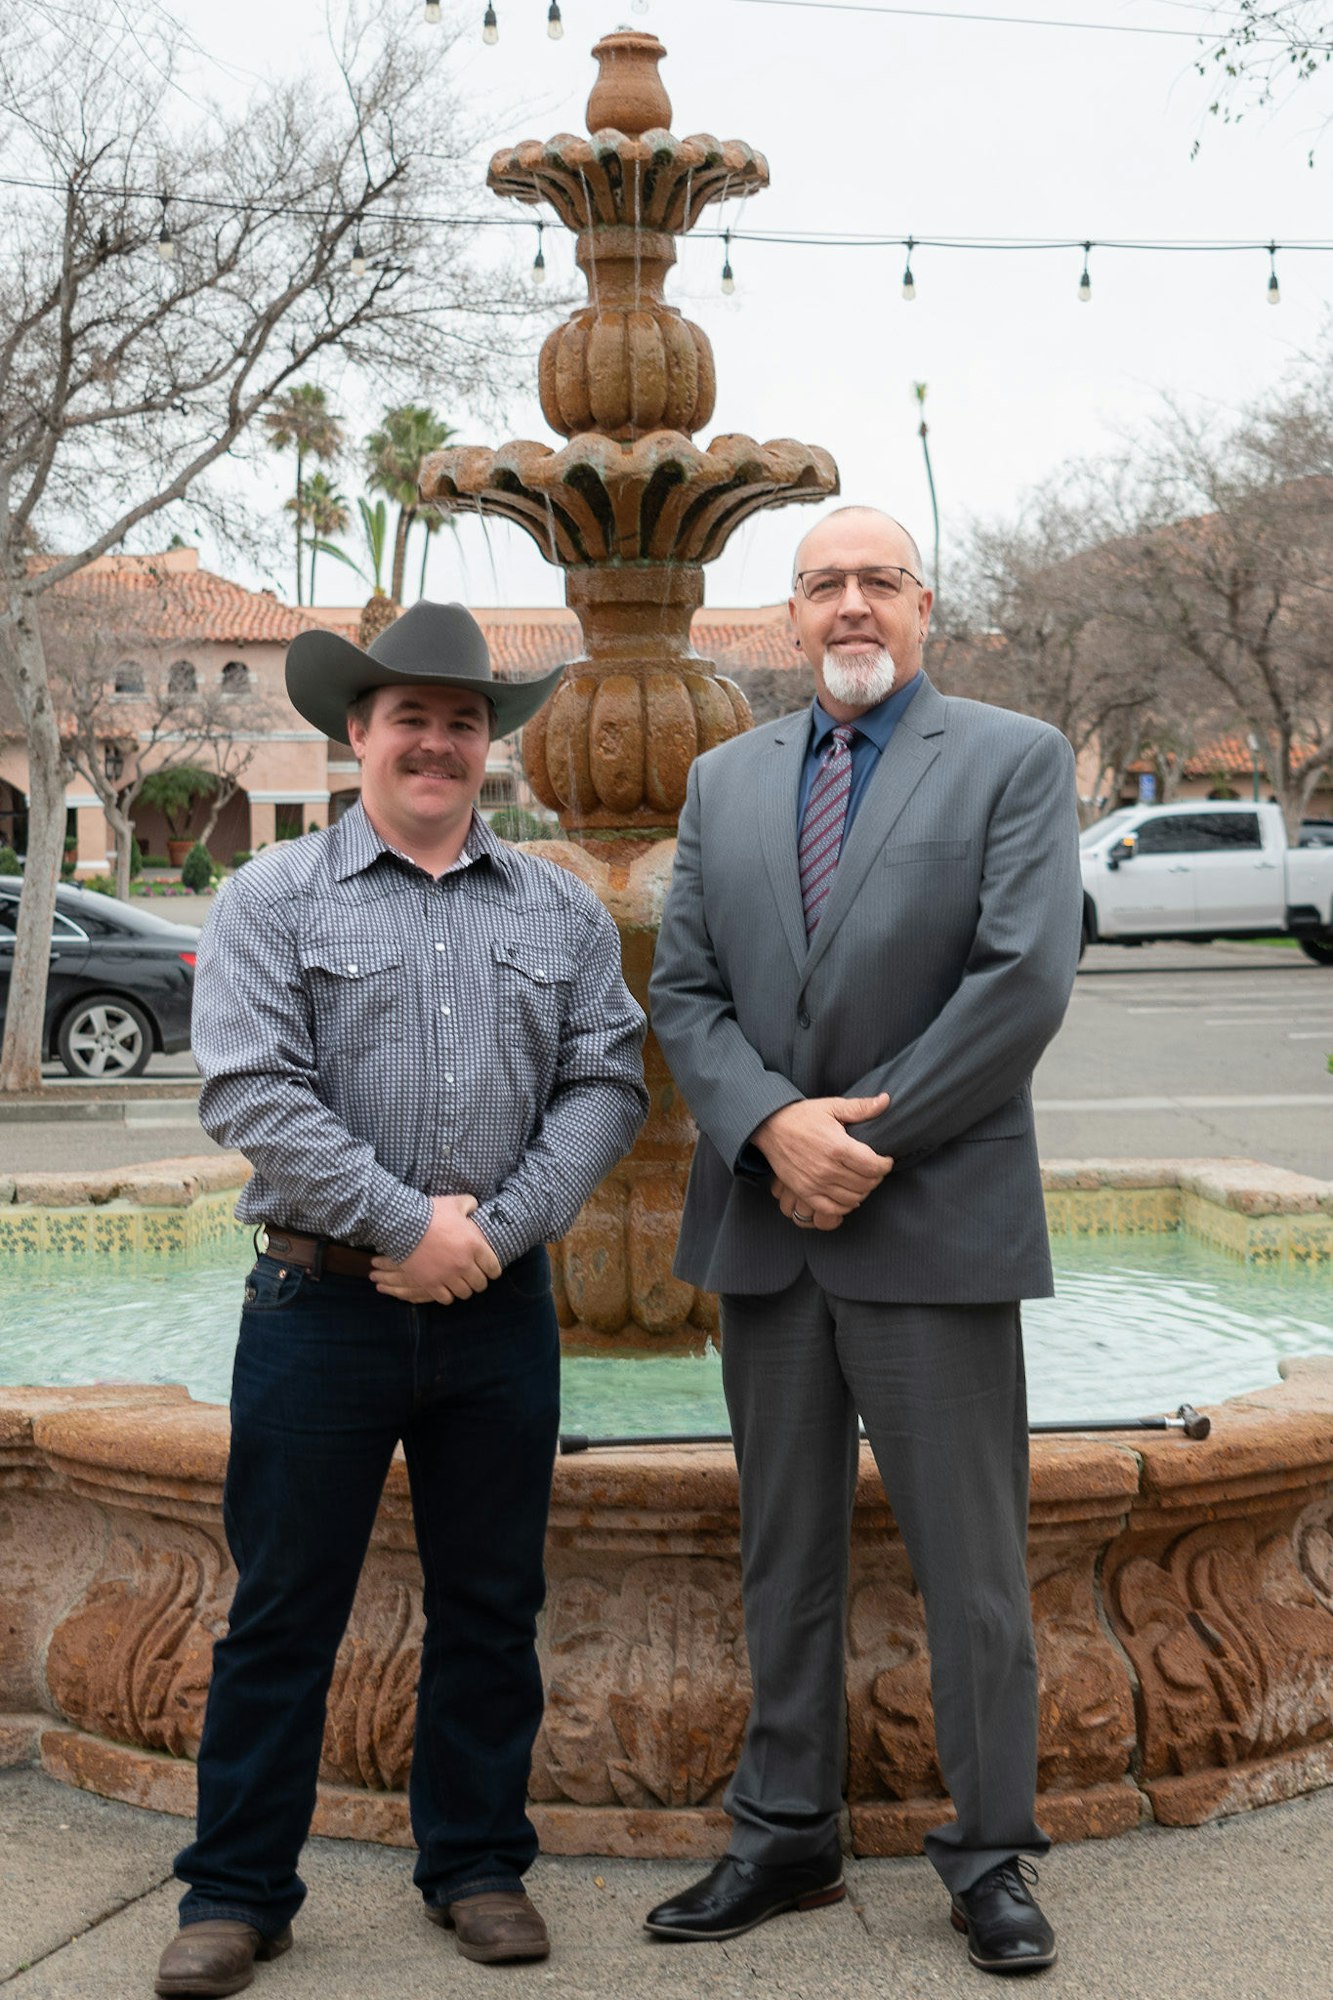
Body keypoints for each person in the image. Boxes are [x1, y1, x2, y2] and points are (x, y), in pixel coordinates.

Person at [155, 602, 648, 1998]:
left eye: (462, 719)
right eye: (409, 717)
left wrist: (491, 1234)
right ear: (354, 732)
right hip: (320, 1311)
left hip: (497, 1311)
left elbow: (607, 1081)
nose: (436, 741)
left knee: (492, 1603)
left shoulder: (554, 905)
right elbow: (251, 1091)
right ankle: (236, 1892)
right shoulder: (273, 898)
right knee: (281, 1612)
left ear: (487, 746)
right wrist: (401, 1228)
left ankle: (477, 1864)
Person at [644, 507, 1082, 1975]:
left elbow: (1018, 984)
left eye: (876, 582)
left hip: (934, 1224)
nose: (850, 607)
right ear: (787, 619)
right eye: (823, 584)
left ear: (922, 608)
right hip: (766, 1228)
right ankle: (783, 1836)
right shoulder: (722, 780)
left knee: (972, 1570)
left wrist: (858, 1146)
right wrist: (771, 1131)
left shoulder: (1011, 760)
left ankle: (990, 1855)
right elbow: (687, 995)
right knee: (783, 1556)